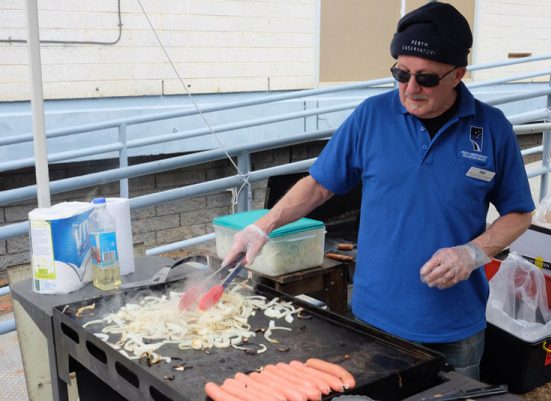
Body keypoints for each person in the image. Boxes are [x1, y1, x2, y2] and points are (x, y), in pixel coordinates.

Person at [222, 2, 534, 380]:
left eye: (426, 78)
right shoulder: (371, 116)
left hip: (455, 326)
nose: (410, 88)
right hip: (374, 318)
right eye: (400, 74)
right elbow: (320, 185)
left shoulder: (492, 129)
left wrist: (471, 254)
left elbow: (519, 212)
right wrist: (262, 226)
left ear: (458, 75)